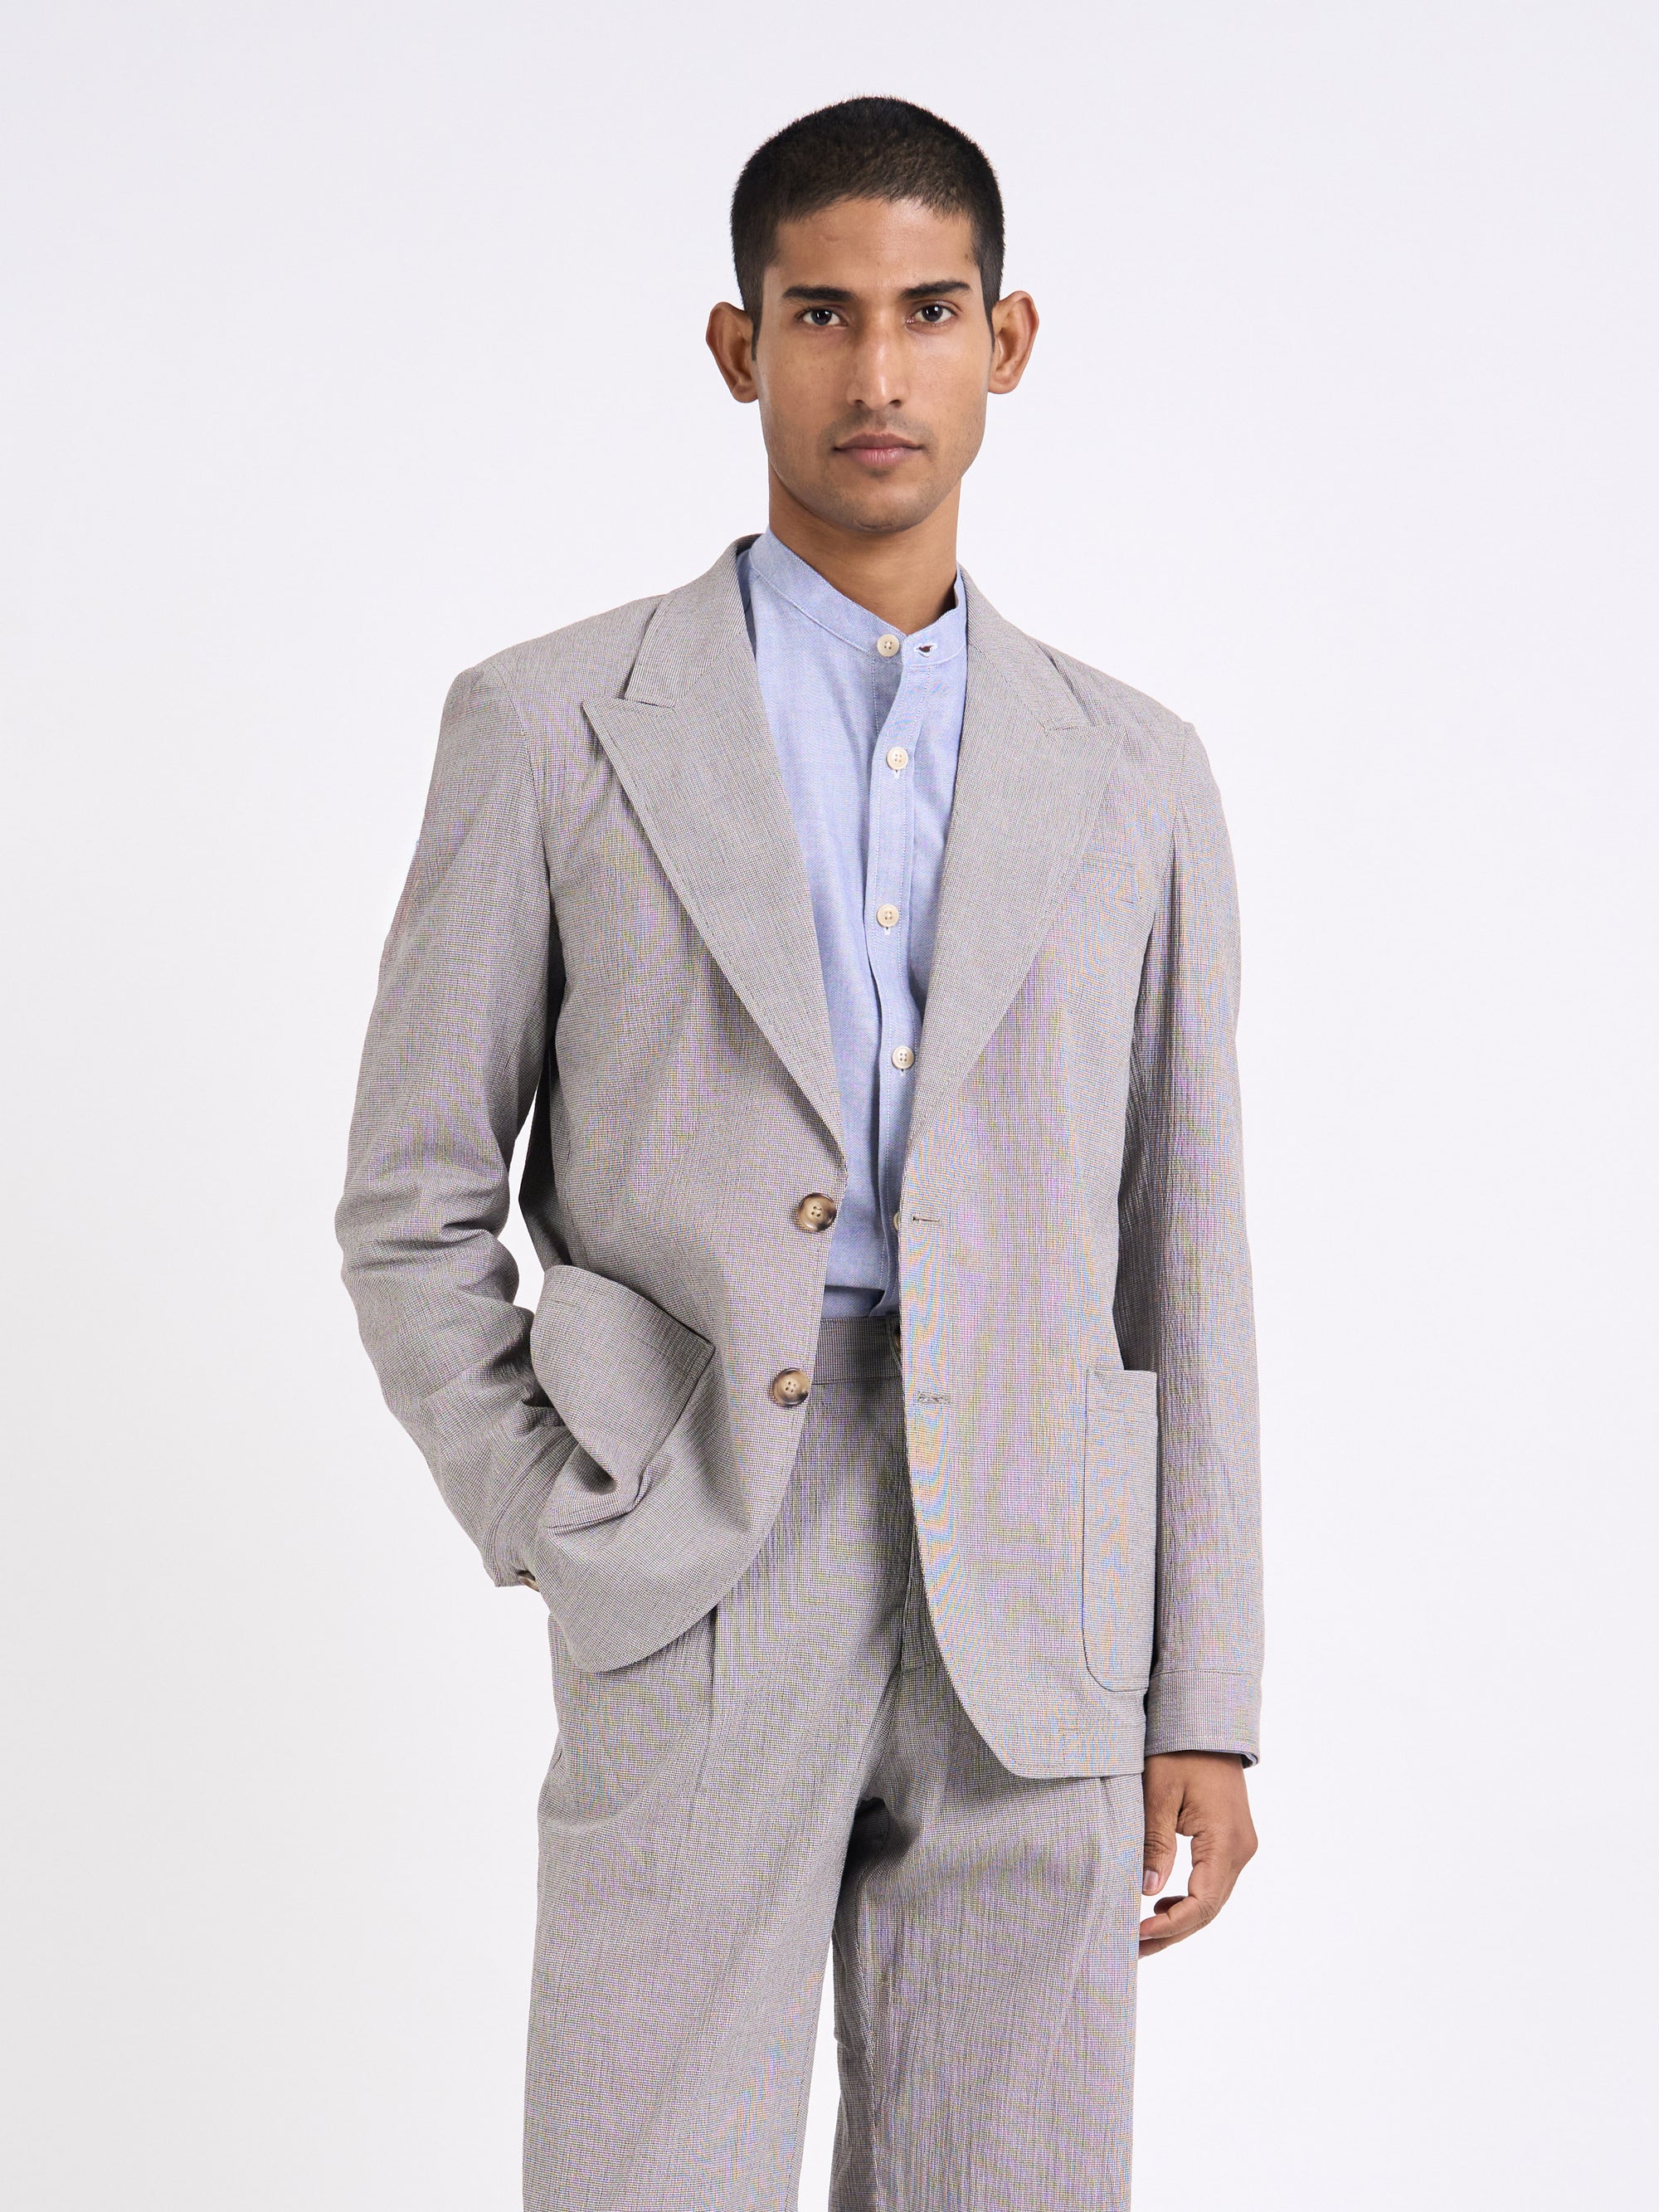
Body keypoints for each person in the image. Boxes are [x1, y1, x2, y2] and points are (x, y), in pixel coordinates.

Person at [338, 94, 1262, 2212]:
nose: (877, 371)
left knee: (1011, 2176)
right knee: (645, 2168)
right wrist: (558, 1504)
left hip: (1039, 1565)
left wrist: (1205, 1688)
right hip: (702, 1535)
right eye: (822, 313)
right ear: (738, 346)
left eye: (928, 312)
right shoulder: (553, 724)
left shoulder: (1135, 772)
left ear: (1004, 341)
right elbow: (411, 1196)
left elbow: (1187, 1245)